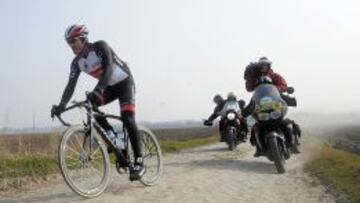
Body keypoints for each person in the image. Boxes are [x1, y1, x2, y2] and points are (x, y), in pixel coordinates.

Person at [51, 24, 144, 180]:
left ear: (83, 38)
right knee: (90, 105)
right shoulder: (76, 63)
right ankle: (113, 136)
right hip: (109, 87)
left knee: (127, 118)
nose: (71, 45)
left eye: (73, 41)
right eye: (68, 42)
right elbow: (70, 86)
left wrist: (99, 90)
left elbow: (108, 69)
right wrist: (61, 105)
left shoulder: (100, 46)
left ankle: (139, 161)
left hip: (124, 82)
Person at [243, 57, 301, 156]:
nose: (263, 67)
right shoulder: (255, 76)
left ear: (269, 65)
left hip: (275, 101)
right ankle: (259, 148)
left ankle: (292, 144)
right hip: (260, 103)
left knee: (286, 123)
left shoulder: (275, 76)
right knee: (256, 126)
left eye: (265, 65)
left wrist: (277, 88)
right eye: (261, 65)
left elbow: (284, 85)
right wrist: (249, 77)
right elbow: (249, 88)